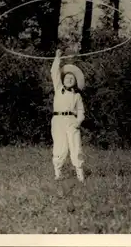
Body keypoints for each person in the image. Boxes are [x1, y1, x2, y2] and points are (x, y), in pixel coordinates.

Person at [50, 49, 86, 182]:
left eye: (72, 79)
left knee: (75, 145)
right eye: (67, 78)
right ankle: (58, 173)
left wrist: (78, 122)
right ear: (63, 80)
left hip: (72, 121)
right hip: (58, 120)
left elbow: (81, 111)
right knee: (60, 146)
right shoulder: (59, 89)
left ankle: (80, 174)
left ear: (75, 82)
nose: (69, 80)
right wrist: (57, 57)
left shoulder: (77, 95)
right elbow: (54, 73)